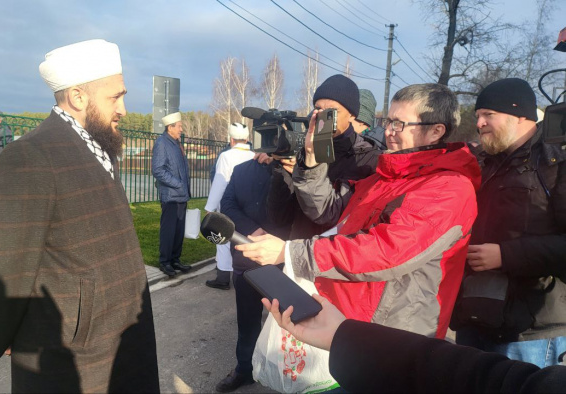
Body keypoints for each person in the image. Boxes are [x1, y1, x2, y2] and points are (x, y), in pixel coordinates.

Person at [0, 39, 159, 393]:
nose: (123, 109)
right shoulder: (30, 157)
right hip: (74, 356)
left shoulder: (97, 146)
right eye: (114, 97)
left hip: (122, 337)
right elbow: (0, 268)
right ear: (78, 97)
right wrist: (0, 333)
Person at [237, 83, 480, 339]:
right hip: (351, 319)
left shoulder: (449, 188)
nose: (388, 131)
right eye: (388, 121)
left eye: (399, 124)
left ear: (435, 131)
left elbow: (387, 250)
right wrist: (310, 162)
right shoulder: (384, 177)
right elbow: (328, 212)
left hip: (396, 332)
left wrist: (291, 252)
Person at [451, 78, 566, 367]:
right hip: (474, 318)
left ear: (521, 115)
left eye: (489, 114)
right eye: (478, 116)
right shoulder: (481, 164)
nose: (479, 123)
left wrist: (506, 255)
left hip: (530, 334)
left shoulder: (557, 166)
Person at [262, 295, 566, 393]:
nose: (391, 139)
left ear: (434, 138)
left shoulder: (451, 181)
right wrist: (344, 334)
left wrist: (297, 250)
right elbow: (482, 380)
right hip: (382, 340)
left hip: (527, 327)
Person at [213, 159, 289, 392]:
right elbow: (227, 204)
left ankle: (291, 373)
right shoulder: (242, 169)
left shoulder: (298, 167)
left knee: (290, 321)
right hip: (248, 258)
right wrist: (253, 230)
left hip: (285, 258)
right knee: (247, 322)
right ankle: (245, 369)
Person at [290, 75, 381, 232]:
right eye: (318, 109)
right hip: (295, 247)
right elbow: (282, 215)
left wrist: (312, 166)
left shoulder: (368, 160)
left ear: (352, 115)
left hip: (329, 251)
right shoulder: (305, 151)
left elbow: (332, 216)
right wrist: (279, 168)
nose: (323, 116)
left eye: (333, 111)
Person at [204, 123, 254, 290]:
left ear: (231, 140)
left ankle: (223, 277)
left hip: (229, 204)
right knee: (248, 238)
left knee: (225, 239)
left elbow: (219, 182)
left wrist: (210, 207)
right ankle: (248, 275)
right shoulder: (254, 155)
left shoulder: (226, 156)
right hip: (250, 206)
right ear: (247, 139)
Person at [152, 111, 192, 278]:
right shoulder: (162, 143)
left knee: (178, 230)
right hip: (171, 196)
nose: (181, 129)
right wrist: (178, 184)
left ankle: (175, 260)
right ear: (170, 127)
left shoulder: (175, 143)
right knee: (169, 230)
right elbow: (158, 170)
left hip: (181, 195)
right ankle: (165, 262)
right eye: (179, 126)